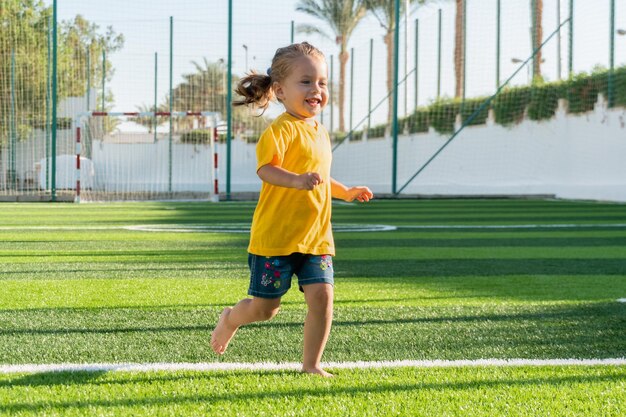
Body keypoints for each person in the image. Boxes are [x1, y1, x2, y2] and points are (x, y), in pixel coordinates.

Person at [210, 42, 373, 377]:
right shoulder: (280, 130)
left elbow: (322, 178)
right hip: (275, 239)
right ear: (280, 90)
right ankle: (230, 318)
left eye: (322, 83)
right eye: (306, 82)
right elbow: (266, 170)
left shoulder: (321, 132)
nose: (316, 90)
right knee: (265, 309)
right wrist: (296, 180)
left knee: (323, 299)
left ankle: (311, 365)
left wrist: (346, 192)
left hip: (316, 239)